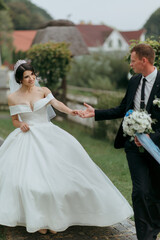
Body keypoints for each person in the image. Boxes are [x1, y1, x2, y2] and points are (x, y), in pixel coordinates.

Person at [0, 60, 133, 235]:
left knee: (59, 180)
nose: (31, 78)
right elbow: (15, 120)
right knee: (29, 182)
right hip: (27, 139)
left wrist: (71, 111)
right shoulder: (13, 97)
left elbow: (56, 104)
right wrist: (20, 125)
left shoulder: (43, 91)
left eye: (32, 74)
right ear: (19, 79)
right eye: (27, 76)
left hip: (48, 135)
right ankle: (39, 219)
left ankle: (56, 219)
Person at [78, 43, 160, 240]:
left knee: (156, 194)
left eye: (133, 61)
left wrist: (151, 138)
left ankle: (154, 227)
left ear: (144, 60)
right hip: (133, 147)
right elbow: (123, 108)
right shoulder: (133, 82)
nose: (130, 65)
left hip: (157, 147)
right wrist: (95, 113)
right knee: (139, 192)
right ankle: (145, 236)